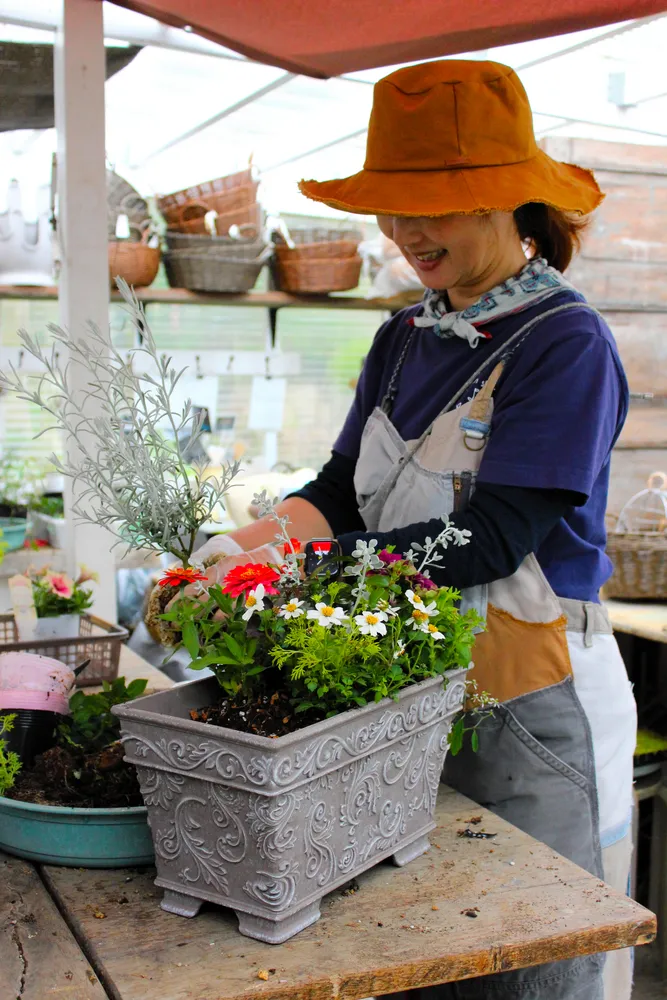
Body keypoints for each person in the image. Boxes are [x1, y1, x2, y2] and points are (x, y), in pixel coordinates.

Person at [164, 60, 638, 1000]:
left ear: (505, 198)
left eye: (435, 207)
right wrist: (239, 552)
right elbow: (341, 491)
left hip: (529, 699)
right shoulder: (403, 337)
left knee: (529, 962)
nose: (405, 233)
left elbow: (492, 538)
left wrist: (301, 575)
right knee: (417, 958)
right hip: (409, 692)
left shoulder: (564, 343)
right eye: (393, 208)